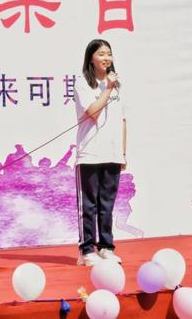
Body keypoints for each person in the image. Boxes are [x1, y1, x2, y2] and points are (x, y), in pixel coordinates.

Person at [74, 39, 127, 267]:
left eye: (109, 54)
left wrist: (123, 152)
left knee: (107, 204)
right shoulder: (84, 83)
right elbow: (93, 113)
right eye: (101, 54)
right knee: (89, 205)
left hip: (112, 153)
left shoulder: (116, 85)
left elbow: (122, 120)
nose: (106, 58)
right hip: (90, 153)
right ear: (91, 58)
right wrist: (108, 89)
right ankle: (87, 250)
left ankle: (106, 247)